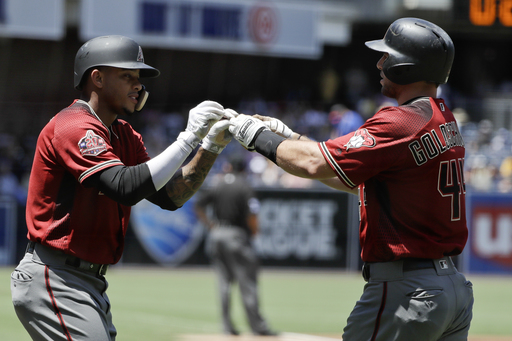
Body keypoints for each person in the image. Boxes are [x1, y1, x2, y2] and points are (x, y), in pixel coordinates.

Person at [226, 18, 474, 340]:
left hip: (407, 289)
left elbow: (314, 164)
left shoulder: (402, 120)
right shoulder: (442, 117)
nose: (379, 63)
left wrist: (257, 137)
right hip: (450, 287)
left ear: (406, 65)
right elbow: (350, 178)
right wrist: (291, 136)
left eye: (387, 56)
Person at [10, 35, 234, 340]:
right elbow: (124, 187)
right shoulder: (73, 125)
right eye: (127, 76)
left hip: (88, 282)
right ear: (97, 78)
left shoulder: (125, 135)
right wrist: (187, 139)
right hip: (54, 276)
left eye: (138, 78)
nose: (138, 86)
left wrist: (209, 147)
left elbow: (170, 196)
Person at [194, 157, 277, 336]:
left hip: (217, 234)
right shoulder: (244, 186)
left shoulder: (218, 184)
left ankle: (226, 326)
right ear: (243, 169)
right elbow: (253, 213)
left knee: (224, 283)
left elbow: (198, 204)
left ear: (229, 167)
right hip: (237, 235)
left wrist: (210, 225)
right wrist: (254, 231)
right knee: (247, 282)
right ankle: (257, 327)